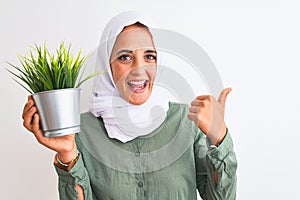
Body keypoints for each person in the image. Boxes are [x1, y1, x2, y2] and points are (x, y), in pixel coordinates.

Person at [22, 11, 237, 200]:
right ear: (108, 65)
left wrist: (219, 138)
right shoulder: (82, 131)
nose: (139, 69)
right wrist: (68, 153)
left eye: (149, 56)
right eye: (125, 57)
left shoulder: (186, 122)